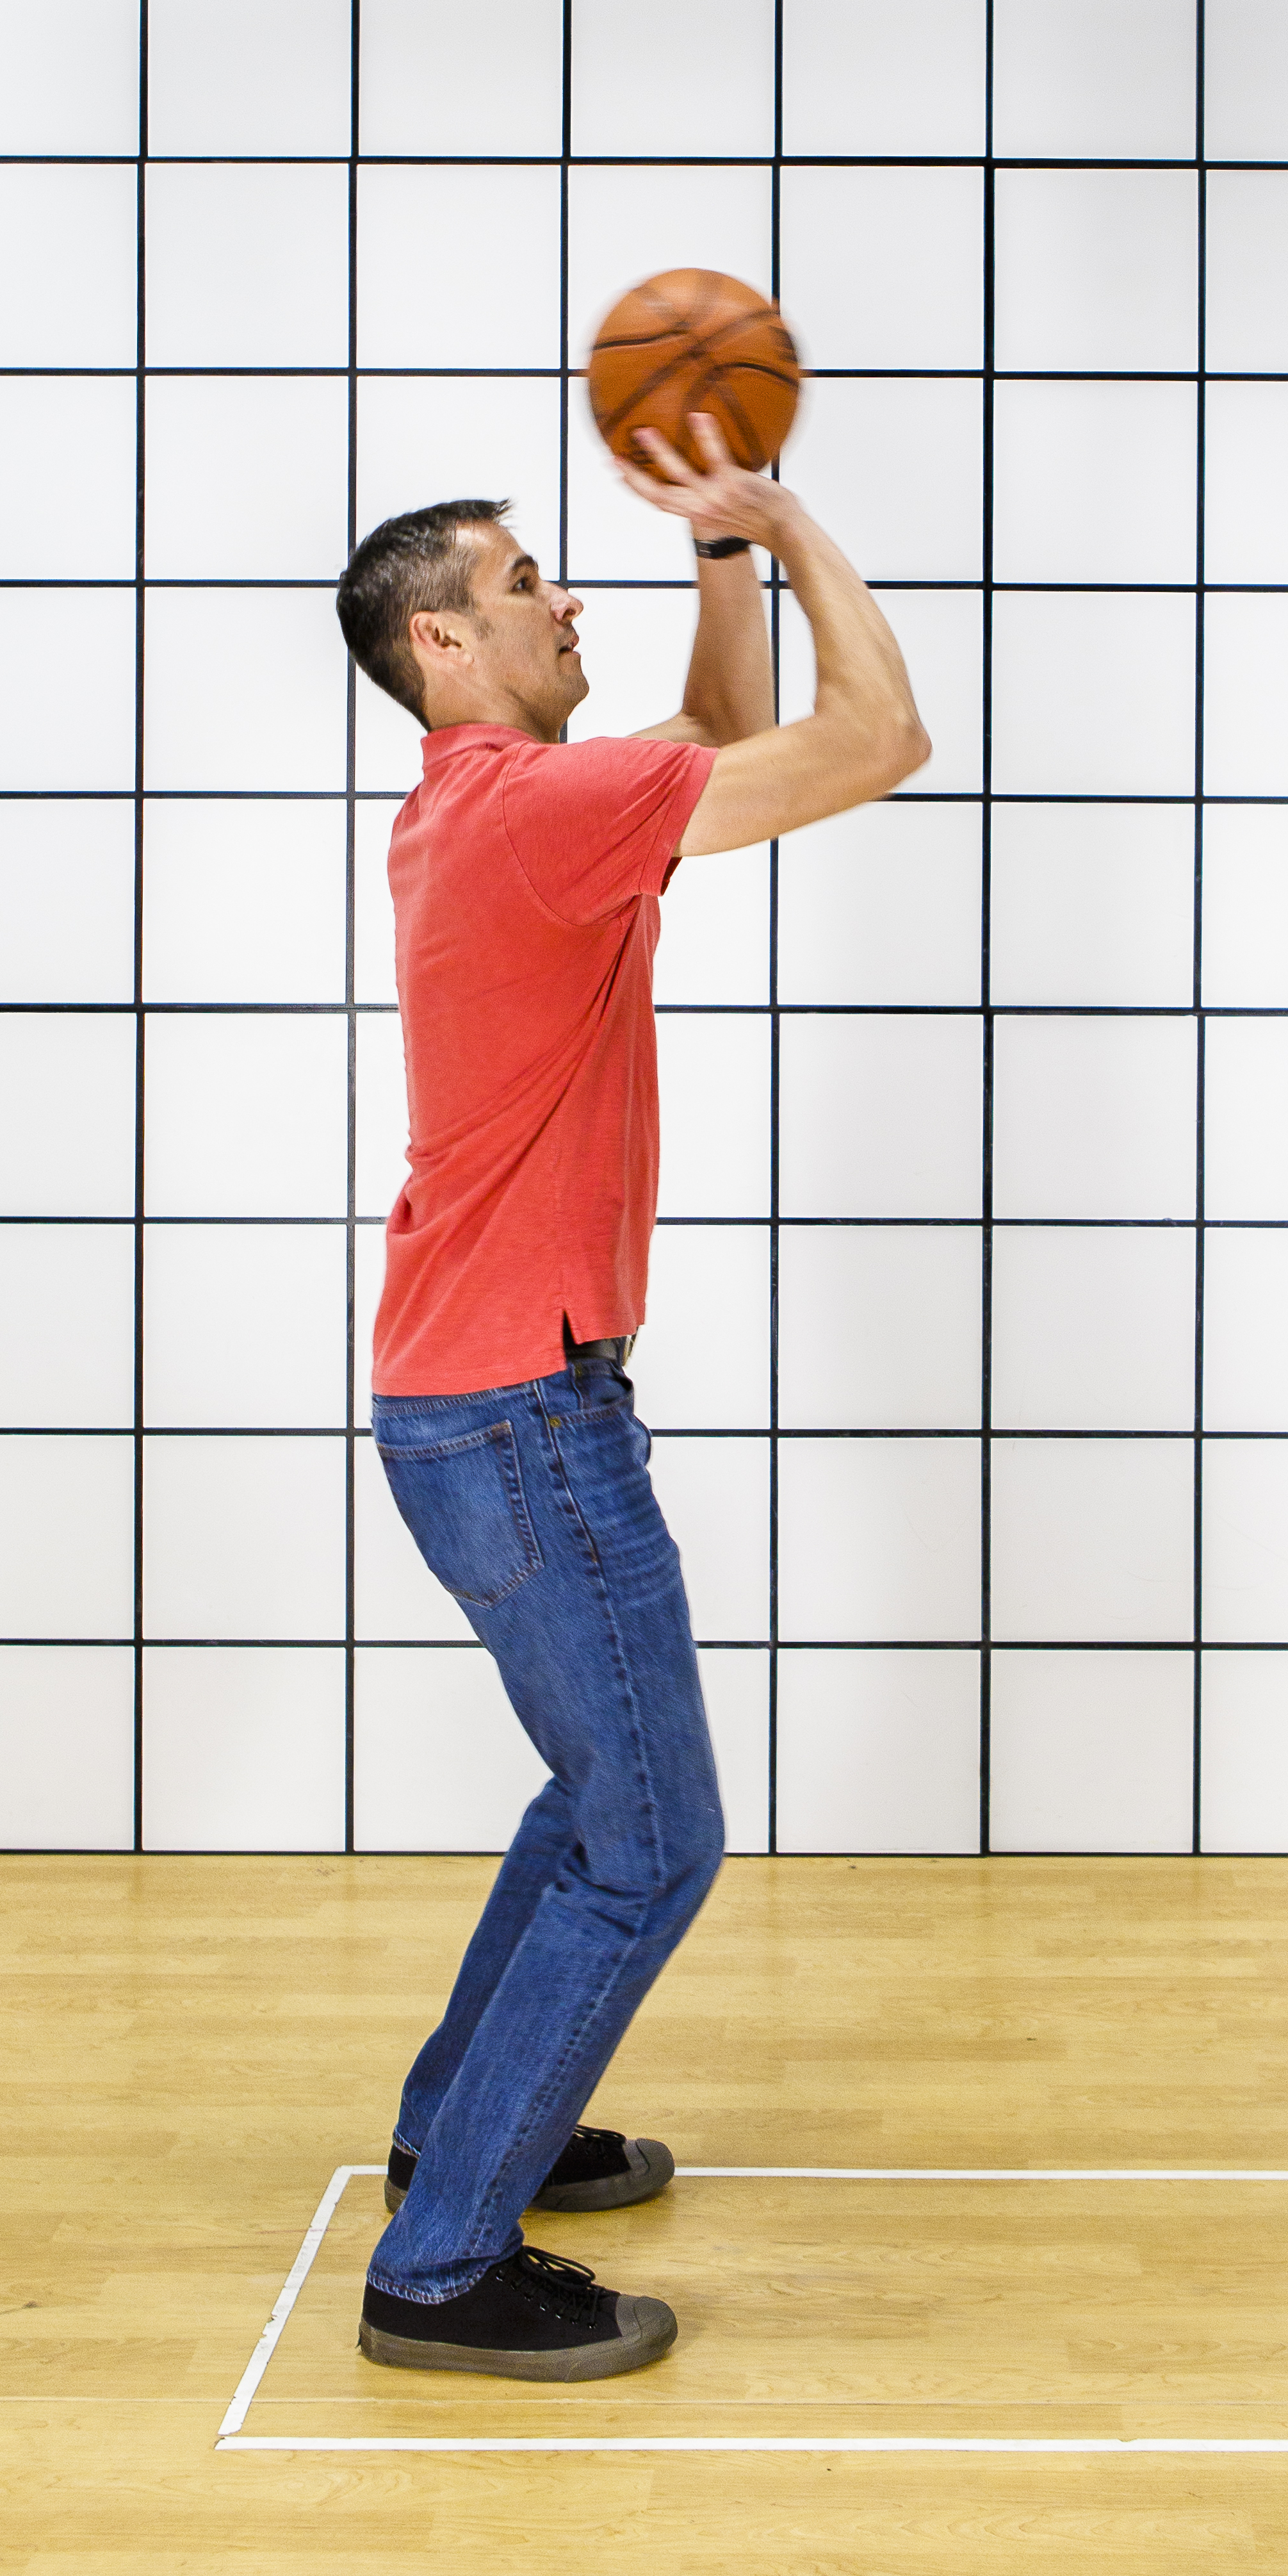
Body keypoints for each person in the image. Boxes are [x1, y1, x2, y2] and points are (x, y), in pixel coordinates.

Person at [330, 413, 927, 2380]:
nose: (553, 590)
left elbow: (701, 737)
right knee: (651, 1841)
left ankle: (460, 2131)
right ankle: (441, 2268)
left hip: (477, 1401)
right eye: (519, 583)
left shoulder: (497, 805)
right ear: (440, 647)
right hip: (522, 1414)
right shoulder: (524, 816)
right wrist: (786, 517)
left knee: (593, 1802)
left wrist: (713, 569)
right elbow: (870, 745)